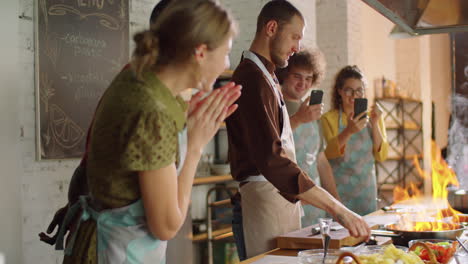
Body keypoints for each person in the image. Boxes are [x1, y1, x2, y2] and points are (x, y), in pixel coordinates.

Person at [47, 1, 241, 263]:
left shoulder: (145, 82)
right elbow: (166, 226)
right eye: (227, 51)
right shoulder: (152, 110)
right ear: (201, 52)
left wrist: (186, 120)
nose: (227, 62)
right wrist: (195, 146)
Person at [226, 0, 370, 258]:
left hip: (280, 199)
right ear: (271, 28)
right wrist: (338, 209)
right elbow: (272, 160)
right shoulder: (252, 78)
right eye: (294, 37)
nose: (297, 47)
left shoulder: (266, 76)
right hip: (264, 200)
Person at [39, 0, 175, 247]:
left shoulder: (158, 87)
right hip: (118, 239)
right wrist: (76, 206)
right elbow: (93, 158)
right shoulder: (142, 91)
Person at [276, 49, 340, 227]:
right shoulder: (274, 104)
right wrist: (298, 119)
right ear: (284, 75)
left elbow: (321, 160)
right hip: (288, 202)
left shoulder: (313, 112)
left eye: (308, 78)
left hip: (315, 204)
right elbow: (271, 142)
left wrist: (336, 203)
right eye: (297, 76)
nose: (302, 83)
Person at [321, 65, 388, 216]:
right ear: (339, 91)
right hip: (339, 195)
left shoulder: (374, 118)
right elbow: (328, 155)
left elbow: (381, 156)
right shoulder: (328, 119)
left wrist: (376, 123)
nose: (354, 96)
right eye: (348, 90)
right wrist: (348, 131)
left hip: (366, 194)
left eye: (359, 90)